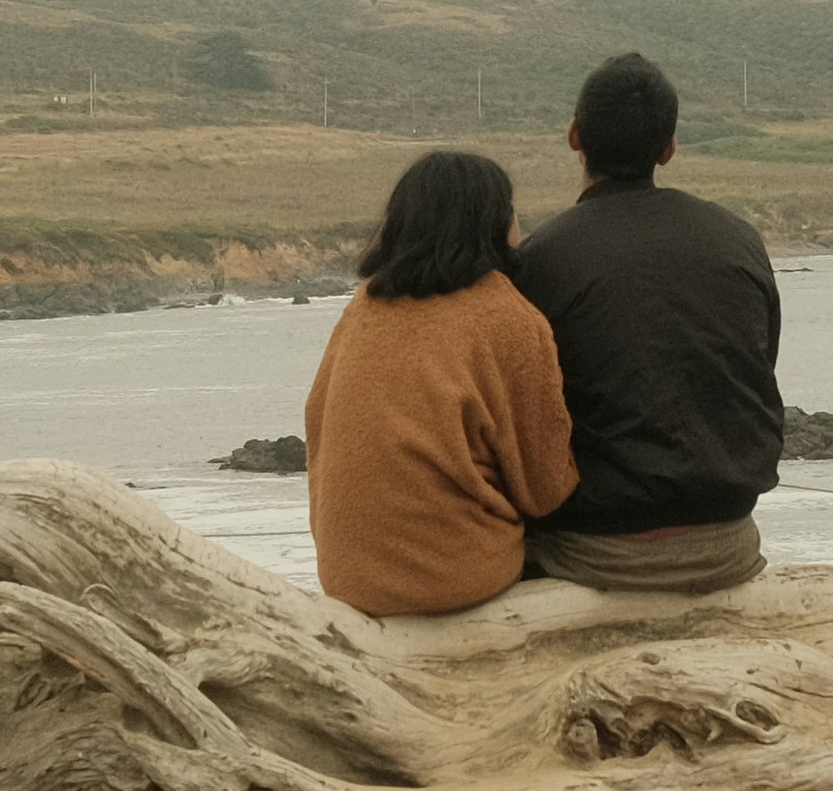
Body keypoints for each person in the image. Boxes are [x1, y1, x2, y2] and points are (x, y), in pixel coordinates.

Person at [501, 51, 780, 595]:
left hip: (589, 551)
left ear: (575, 136)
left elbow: (518, 422)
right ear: (670, 148)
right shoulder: (739, 239)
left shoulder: (540, 260)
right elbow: (755, 370)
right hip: (726, 544)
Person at [297, 147, 582, 618]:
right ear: (494, 224)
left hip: (347, 577)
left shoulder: (365, 305)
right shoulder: (506, 316)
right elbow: (546, 488)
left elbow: (317, 423)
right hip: (451, 579)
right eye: (514, 214)